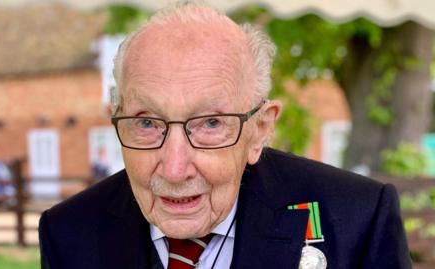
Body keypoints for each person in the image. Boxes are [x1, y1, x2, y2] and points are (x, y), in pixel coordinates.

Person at [39, 1, 411, 268]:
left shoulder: (358, 217)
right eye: (147, 122)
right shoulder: (69, 231)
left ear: (259, 130)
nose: (174, 169)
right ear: (116, 121)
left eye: (211, 123)